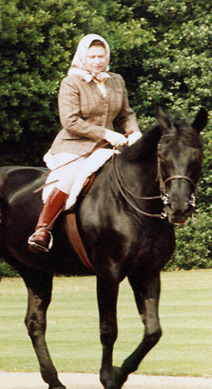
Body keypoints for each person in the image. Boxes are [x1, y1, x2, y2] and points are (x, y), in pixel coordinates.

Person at [28, 34, 141, 252]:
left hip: (106, 148)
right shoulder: (71, 82)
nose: (98, 61)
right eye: (92, 57)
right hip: (73, 146)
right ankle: (42, 230)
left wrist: (133, 131)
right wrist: (107, 133)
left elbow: (126, 114)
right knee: (70, 178)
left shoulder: (116, 80)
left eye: (102, 56)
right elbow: (70, 121)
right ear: (83, 58)